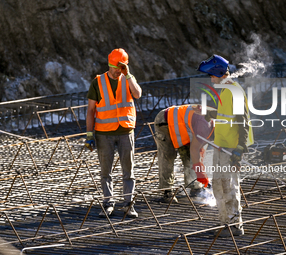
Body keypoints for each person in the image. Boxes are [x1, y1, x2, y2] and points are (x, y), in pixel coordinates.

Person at [197, 55, 254, 237]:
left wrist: (240, 149)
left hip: (231, 148)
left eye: (212, 76)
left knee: (229, 185)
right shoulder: (225, 90)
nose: (211, 80)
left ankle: (235, 225)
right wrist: (211, 114)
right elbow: (227, 116)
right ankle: (226, 223)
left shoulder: (233, 91)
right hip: (221, 146)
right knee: (219, 186)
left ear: (220, 74)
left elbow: (242, 121)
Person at [85, 48, 142, 218]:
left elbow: (138, 94)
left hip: (126, 131)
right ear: (109, 65)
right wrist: (89, 135)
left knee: (128, 171)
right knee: (105, 172)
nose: (118, 71)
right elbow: (90, 110)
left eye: (121, 67)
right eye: (116, 68)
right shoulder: (98, 82)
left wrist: (129, 75)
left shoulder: (127, 79)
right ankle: (108, 203)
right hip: (104, 133)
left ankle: (128, 205)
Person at [154, 104, 215, 202]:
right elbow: (196, 151)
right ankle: (167, 191)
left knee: (190, 157)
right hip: (165, 121)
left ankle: (196, 188)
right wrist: (201, 174)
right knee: (168, 156)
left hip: (184, 127)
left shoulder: (219, 122)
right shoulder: (204, 127)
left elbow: (198, 153)